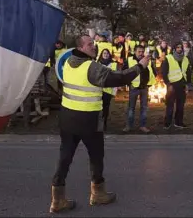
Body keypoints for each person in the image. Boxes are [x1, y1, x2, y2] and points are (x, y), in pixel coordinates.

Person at [50, 35, 150, 213]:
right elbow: (120, 78)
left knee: (64, 158)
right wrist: (141, 65)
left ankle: (57, 200)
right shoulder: (92, 67)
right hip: (89, 121)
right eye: (90, 44)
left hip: (67, 119)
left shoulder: (66, 64)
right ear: (80, 48)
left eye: (93, 44)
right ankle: (98, 194)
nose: (94, 47)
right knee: (96, 157)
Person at [122, 45, 156, 133]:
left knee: (144, 108)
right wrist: (129, 84)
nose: (141, 53)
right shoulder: (129, 60)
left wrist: (149, 84)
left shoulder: (147, 60)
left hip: (144, 87)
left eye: (142, 52)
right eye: (139, 51)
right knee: (131, 108)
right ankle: (129, 126)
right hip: (134, 87)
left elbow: (153, 72)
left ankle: (143, 126)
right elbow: (124, 73)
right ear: (135, 52)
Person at [162, 42, 192, 129]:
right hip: (172, 85)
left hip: (182, 85)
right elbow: (164, 73)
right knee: (170, 105)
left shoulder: (185, 59)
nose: (179, 49)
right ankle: (167, 123)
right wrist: (168, 84)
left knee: (181, 106)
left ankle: (178, 122)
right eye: (177, 47)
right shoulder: (168, 58)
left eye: (180, 47)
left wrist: (188, 84)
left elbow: (188, 73)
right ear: (174, 49)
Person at [97, 48, 117, 131]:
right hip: (98, 90)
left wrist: (114, 91)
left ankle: (104, 124)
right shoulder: (97, 64)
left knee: (105, 108)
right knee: (97, 107)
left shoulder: (113, 64)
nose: (106, 55)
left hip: (108, 90)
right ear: (101, 54)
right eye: (104, 53)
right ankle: (97, 123)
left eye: (107, 53)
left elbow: (116, 78)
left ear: (109, 55)